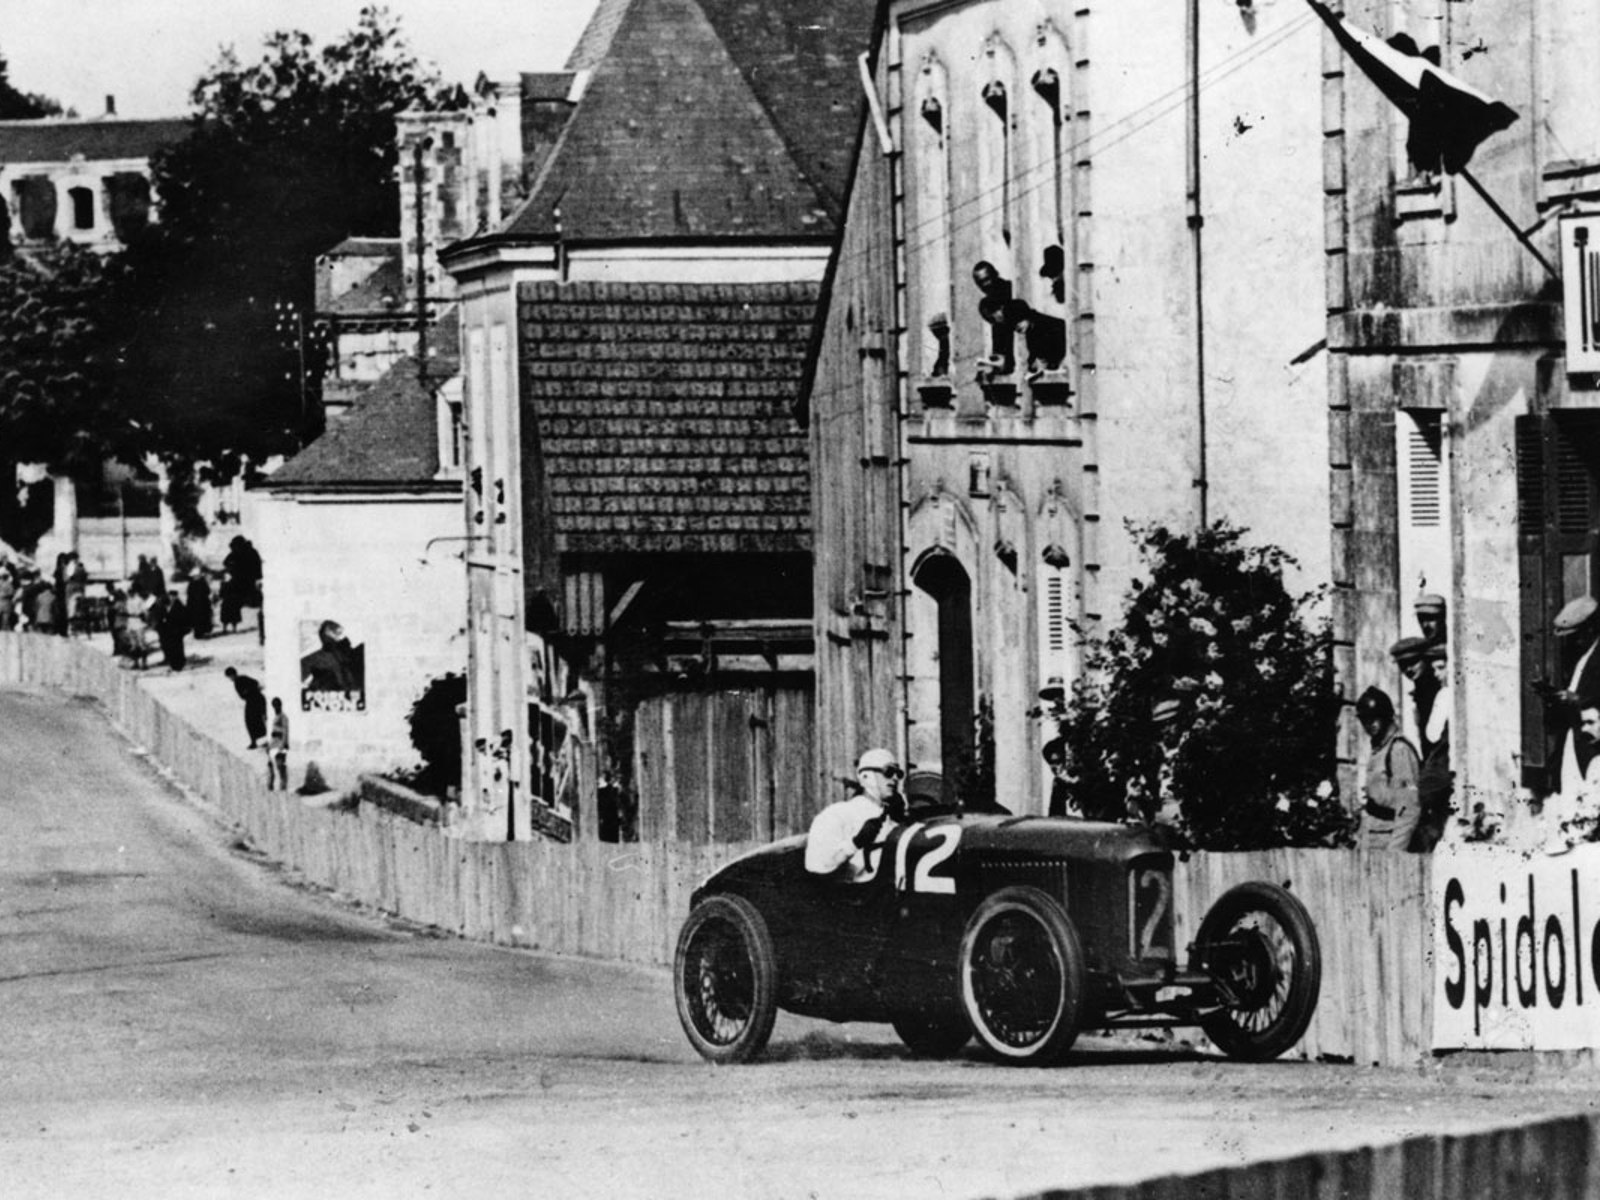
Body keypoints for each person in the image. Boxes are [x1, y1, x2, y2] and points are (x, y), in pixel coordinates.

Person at [804, 747, 906, 881]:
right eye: (889, 772)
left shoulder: (891, 819)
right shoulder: (837, 814)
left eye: (898, 774)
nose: (895, 778)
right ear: (865, 777)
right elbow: (817, 864)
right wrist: (855, 843)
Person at [1541, 596, 1600, 797]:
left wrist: (1576, 700)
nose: (1572, 642)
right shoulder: (1581, 655)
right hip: (1574, 744)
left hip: (1594, 747)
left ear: (1589, 630)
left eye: (1576, 636)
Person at [1355, 687, 1421, 851]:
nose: (1370, 724)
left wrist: (1394, 855)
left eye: (1375, 718)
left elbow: (1409, 810)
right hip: (1372, 839)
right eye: (1365, 720)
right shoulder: (1379, 748)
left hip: (1388, 842)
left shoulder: (1399, 750)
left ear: (1386, 716)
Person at [300, 620, 362, 694]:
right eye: (338, 633)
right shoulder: (315, 658)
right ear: (328, 632)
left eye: (341, 633)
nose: (341, 636)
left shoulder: (352, 654)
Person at [225, 667, 269, 749]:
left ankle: (258, 742)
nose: (230, 678)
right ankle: (258, 741)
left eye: (229, 676)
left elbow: (255, 683)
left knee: (252, 721)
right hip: (252, 701)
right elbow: (243, 695)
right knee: (253, 721)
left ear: (233, 674)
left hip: (256, 700)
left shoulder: (241, 679)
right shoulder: (238, 681)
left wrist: (248, 691)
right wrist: (247, 692)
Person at [155, 588, 190, 672]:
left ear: (176, 596)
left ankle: (180, 663)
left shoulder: (179, 605)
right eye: (170, 596)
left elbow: (183, 617)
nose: (172, 597)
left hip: (177, 630)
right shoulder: (166, 604)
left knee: (178, 647)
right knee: (172, 647)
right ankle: (174, 663)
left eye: (173, 596)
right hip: (169, 630)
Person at [1043, 735, 1075, 818]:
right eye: (1052, 763)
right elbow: (1055, 817)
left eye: (1058, 762)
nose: (1056, 768)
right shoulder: (1059, 783)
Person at [267, 698, 289, 791]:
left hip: (280, 744)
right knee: (270, 767)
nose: (275, 708)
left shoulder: (283, 717)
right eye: (274, 706)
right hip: (274, 743)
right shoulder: (275, 717)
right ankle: (270, 788)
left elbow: (285, 731)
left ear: (280, 705)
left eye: (277, 705)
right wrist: (269, 746)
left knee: (280, 767)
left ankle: (283, 788)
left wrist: (283, 745)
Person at [186, 572, 214, 639]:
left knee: (204, 619)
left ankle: (204, 632)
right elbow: (189, 594)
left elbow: (208, 591)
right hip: (194, 605)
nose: (196, 577)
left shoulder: (203, 583)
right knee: (196, 620)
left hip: (203, 604)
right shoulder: (191, 584)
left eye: (197, 576)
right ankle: (197, 633)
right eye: (195, 576)